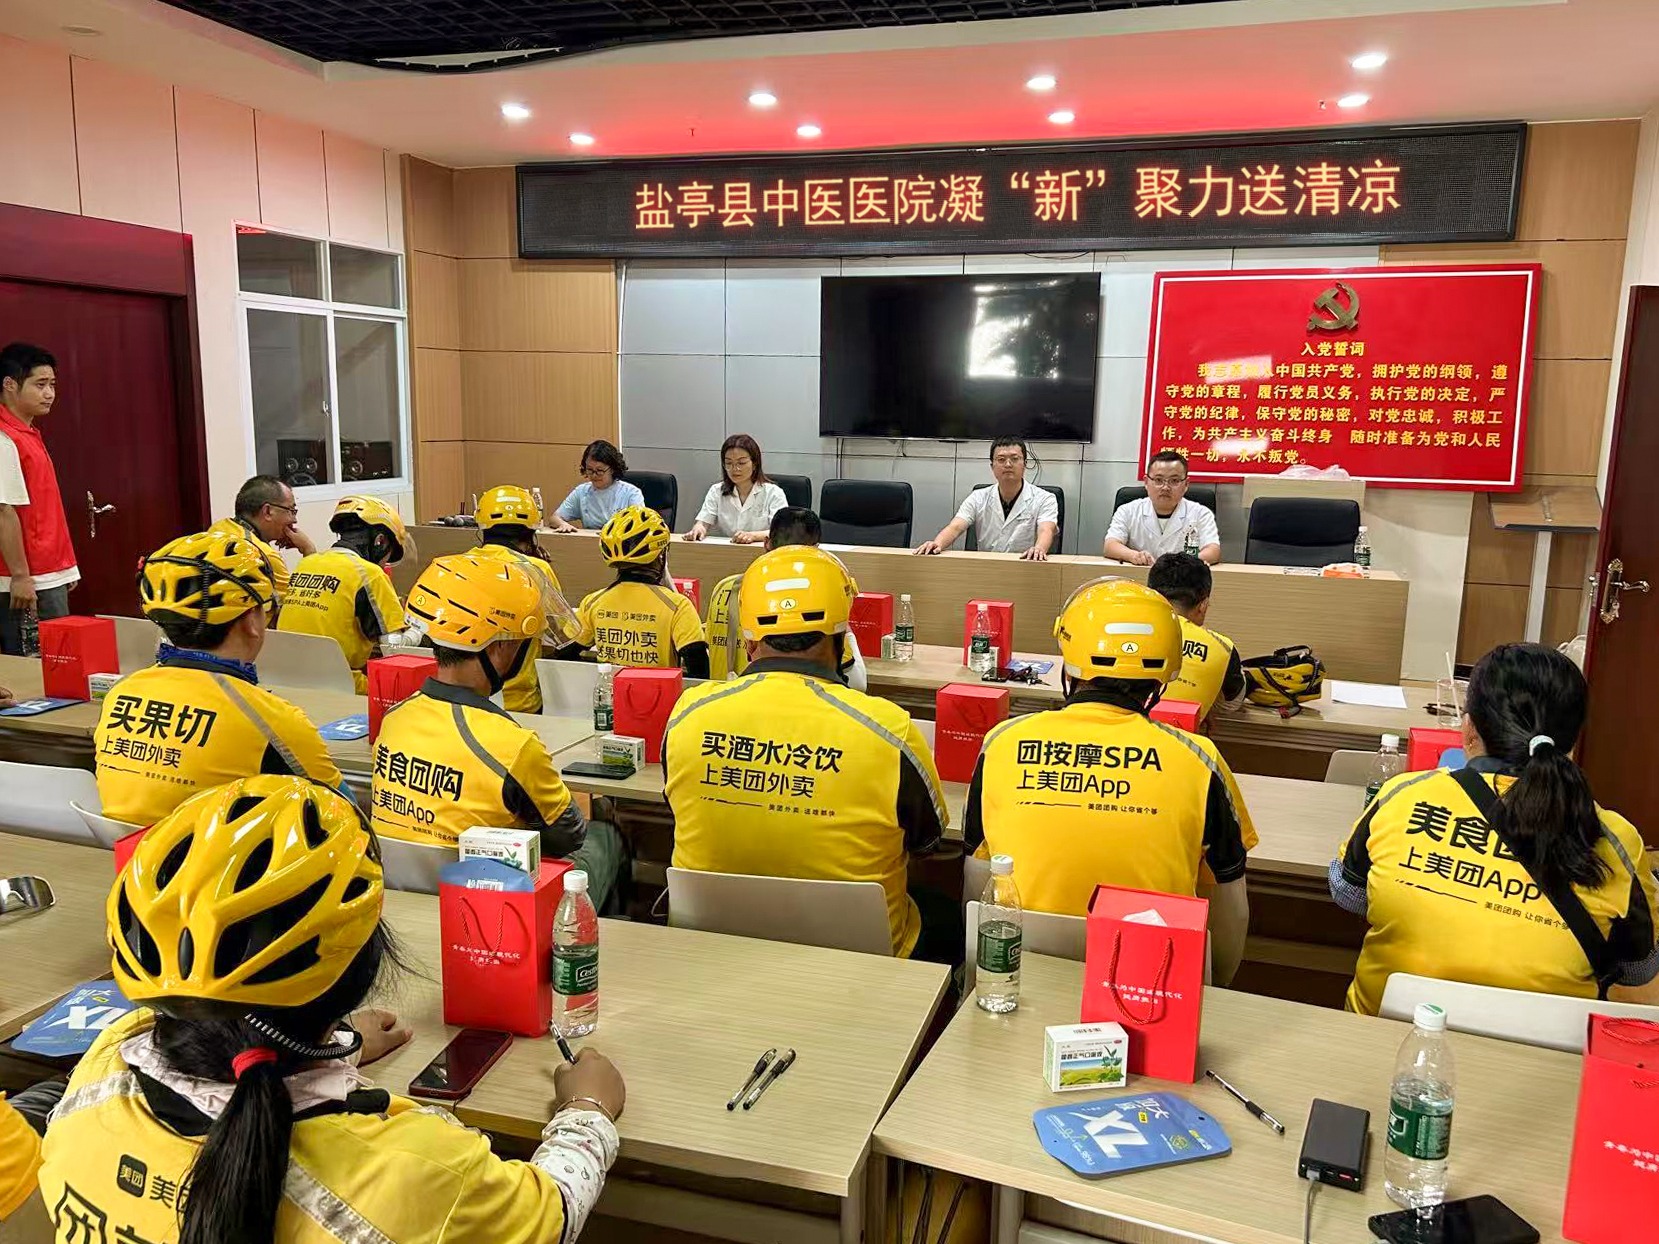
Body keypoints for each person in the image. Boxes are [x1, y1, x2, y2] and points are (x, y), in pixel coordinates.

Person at [38, 774, 625, 1244]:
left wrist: (335, 1049)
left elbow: (236, 1047)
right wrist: (588, 1111)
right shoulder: (416, 1172)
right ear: (363, 969)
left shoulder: (105, 1063)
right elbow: (550, 1213)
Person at [1331, 642, 1659, 1016]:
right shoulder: (1614, 839)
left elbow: (1348, 893)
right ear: (1573, 739)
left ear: (1469, 729)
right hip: (1540, 1049)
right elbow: (1638, 969)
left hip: (1381, 1034)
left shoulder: (1404, 796)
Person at [665, 545, 956, 962]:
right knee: (947, 910)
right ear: (843, 637)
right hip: (862, 957)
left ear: (749, 640)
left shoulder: (687, 715)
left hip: (711, 943)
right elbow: (929, 842)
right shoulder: (889, 730)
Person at [963, 578, 1256, 984]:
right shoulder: (1199, 760)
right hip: (1151, 988)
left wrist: (972, 973)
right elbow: (1231, 905)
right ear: (1165, 674)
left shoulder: (1002, 743)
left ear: (1069, 660)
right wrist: (1216, 985)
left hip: (1017, 976)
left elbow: (978, 880)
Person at [375, 553, 623, 905]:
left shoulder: (394, 720)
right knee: (605, 836)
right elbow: (569, 836)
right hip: (496, 907)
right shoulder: (513, 746)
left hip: (402, 899)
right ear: (501, 648)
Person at [93, 530, 343, 825]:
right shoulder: (271, 719)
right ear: (251, 620)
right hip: (208, 854)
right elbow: (343, 813)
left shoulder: (120, 693)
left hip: (119, 850)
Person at [705, 506, 868, 690]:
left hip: (724, 701)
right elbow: (857, 684)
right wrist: (845, 627)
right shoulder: (816, 598)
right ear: (816, 550)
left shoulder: (723, 588)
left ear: (767, 543)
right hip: (794, 703)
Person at [275, 496, 412, 693]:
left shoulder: (306, 563)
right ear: (380, 542)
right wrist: (417, 630)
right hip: (342, 684)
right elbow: (394, 648)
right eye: (388, 557)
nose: (384, 564)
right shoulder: (370, 574)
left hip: (287, 680)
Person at [564, 506, 709, 679]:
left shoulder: (593, 602)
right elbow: (699, 671)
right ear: (661, 555)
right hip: (660, 694)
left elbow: (563, 654)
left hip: (608, 693)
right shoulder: (678, 606)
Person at [471, 484, 579, 712]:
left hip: (468, 698)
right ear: (530, 532)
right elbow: (562, 633)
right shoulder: (537, 569)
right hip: (519, 703)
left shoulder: (463, 565)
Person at [0, 342, 78, 654]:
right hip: (26, 581)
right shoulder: (4, 437)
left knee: (60, 663)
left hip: (48, 571)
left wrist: (65, 567)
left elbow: (44, 510)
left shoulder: (27, 432)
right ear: (9, 384)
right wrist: (21, 576)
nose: (49, 394)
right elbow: (4, 511)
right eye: (40, 384)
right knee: (38, 667)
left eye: (52, 385)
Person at [916, 437, 1058, 561]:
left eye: (1015, 459)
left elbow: (1046, 530)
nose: (1008, 464)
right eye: (1001, 459)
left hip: (1026, 566)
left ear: (1025, 464)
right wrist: (937, 544)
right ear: (992, 466)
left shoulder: (1045, 499)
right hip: (986, 567)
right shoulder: (978, 497)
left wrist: (1039, 549)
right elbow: (955, 527)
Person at [1147, 552, 1246, 721]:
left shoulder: (1115, 633)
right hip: (1179, 737)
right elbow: (1231, 705)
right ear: (1203, 605)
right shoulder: (1223, 647)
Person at [210, 474, 316, 606]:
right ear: (267, 511)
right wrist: (309, 550)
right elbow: (299, 607)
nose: (294, 520)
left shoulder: (218, 528)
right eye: (291, 510)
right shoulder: (265, 556)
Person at [1104, 451, 1220, 566]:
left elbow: (1213, 551)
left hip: (1183, 576)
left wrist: (1181, 564)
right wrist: (1133, 555)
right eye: (1158, 480)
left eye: (1174, 481)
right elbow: (1110, 545)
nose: (1165, 487)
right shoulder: (1127, 511)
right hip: (1138, 576)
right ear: (1146, 482)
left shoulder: (1201, 513)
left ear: (1186, 484)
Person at [685, 434, 788, 544]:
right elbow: (703, 522)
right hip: (728, 551)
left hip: (763, 551)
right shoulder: (716, 491)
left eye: (741, 463)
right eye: (729, 463)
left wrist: (753, 536)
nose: (735, 469)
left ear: (755, 464)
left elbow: (781, 531)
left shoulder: (773, 493)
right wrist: (698, 529)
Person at [550, 440, 646, 533]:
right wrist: (563, 524)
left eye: (599, 471)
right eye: (590, 470)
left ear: (612, 469)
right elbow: (554, 518)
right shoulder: (581, 491)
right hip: (591, 542)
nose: (594, 475)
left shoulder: (631, 493)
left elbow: (640, 526)